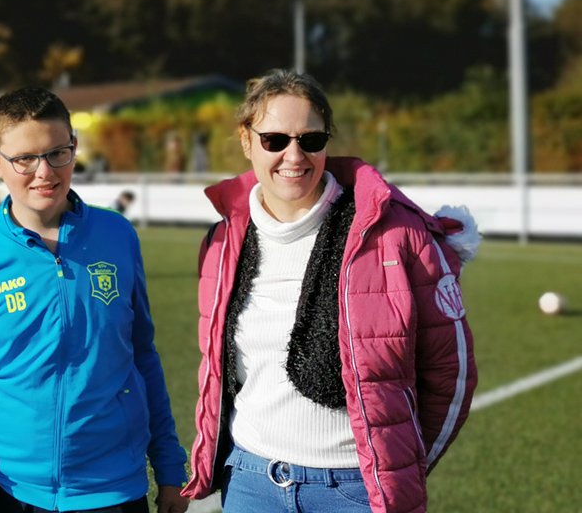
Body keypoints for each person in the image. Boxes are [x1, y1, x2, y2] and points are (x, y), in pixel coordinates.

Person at [182, 69, 479, 513]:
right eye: (274, 140)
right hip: (248, 482)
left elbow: (449, 375)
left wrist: (399, 470)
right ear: (247, 140)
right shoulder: (223, 243)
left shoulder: (397, 233)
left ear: (328, 140)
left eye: (311, 139)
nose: (294, 155)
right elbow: (217, 374)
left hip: (355, 490)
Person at [0, 87, 189, 513]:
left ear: (74, 149)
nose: (44, 172)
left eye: (57, 153)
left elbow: (141, 356)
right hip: (7, 491)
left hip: (114, 490)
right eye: (24, 158)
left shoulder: (117, 237)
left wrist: (170, 468)